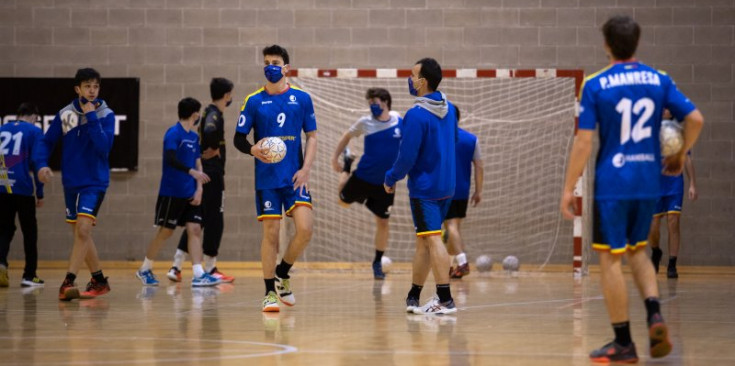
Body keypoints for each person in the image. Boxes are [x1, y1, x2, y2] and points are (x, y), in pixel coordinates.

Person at [560, 16, 704, 363]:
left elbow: (583, 142)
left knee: (610, 260)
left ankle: (623, 342)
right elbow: (695, 118)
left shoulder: (595, 85)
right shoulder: (659, 79)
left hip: (614, 184)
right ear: (637, 43)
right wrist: (680, 152)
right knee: (638, 251)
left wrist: (568, 189)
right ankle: (654, 314)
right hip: (648, 182)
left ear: (607, 45)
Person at [234, 45, 317, 312]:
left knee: (305, 229)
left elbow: (312, 136)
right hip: (267, 178)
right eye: (266, 61)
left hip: (295, 177)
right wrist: (252, 149)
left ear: (286, 68)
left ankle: (283, 271)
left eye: (275, 62)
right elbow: (238, 138)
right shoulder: (254, 101)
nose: (270, 66)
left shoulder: (302, 98)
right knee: (270, 233)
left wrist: (306, 169)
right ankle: (269, 292)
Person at [384, 57, 458, 315]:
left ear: (422, 82)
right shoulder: (449, 109)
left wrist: (391, 177)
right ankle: (414, 294)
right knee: (424, 241)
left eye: (412, 75)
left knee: (433, 239)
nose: (410, 79)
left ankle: (445, 300)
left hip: (425, 189)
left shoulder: (416, 115)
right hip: (447, 185)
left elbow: (406, 157)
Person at [37, 68, 117, 301]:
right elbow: (46, 142)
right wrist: (42, 164)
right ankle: (99, 280)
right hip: (71, 183)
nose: (92, 91)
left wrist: (91, 116)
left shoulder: (105, 114)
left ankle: (67, 282)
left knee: (83, 229)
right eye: (87, 86)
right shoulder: (66, 114)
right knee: (81, 233)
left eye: (95, 86)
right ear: (78, 89)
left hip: (95, 182)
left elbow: (104, 147)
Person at [135, 97, 221, 288]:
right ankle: (144, 269)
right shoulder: (173, 134)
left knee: (195, 229)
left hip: (190, 193)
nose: (199, 115)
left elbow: (197, 161)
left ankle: (199, 274)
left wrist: (199, 188)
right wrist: (192, 172)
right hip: (172, 192)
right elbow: (171, 159)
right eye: (198, 112)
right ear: (194, 114)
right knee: (165, 232)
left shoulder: (193, 136)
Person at [168, 78, 235, 284]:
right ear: (226, 95)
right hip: (212, 173)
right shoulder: (215, 113)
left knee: (197, 219)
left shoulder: (206, 112)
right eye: (230, 94)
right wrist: (213, 148)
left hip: (206, 172)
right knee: (215, 218)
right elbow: (209, 132)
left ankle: (176, 265)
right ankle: (211, 267)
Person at [331, 88, 402, 280]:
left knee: (383, 222)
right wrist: (335, 158)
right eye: (369, 102)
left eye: (375, 101)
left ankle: (377, 262)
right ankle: (348, 163)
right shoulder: (365, 122)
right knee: (342, 201)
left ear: (386, 101)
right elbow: (346, 136)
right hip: (363, 177)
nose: (372, 105)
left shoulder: (398, 120)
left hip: (386, 184)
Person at [0, 103, 46, 287]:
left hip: (2, 186)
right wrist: (40, 192)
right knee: (29, 232)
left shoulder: (2, 129)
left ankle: (1, 263)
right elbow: (37, 161)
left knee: (3, 229)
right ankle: (29, 275)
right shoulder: (34, 132)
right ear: (34, 116)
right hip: (22, 188)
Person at [649, 112, 697, 279]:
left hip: (674, 184)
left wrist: (692, 183)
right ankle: (656, 251)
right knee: (653, 227)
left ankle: (672, 264)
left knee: (673, 222)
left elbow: (687, 159)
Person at [443, 105, 483, 279]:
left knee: (450, 226)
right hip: (463, 191)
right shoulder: (471, 139)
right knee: (455, 228)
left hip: (444, 189)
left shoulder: (438, 139)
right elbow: (479, 166)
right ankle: (452, 267)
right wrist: (478, 191)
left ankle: (462, 261)